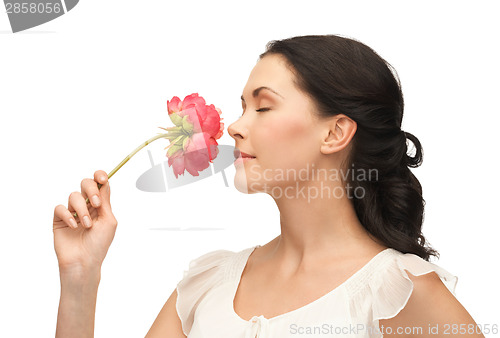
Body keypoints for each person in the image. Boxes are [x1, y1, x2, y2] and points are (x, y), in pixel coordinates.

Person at [53, 35, 484, 337]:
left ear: (335, 133)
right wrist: (80, 276)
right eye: (243, 107)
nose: (236, 127)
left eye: (263, 106)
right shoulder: (209, 284)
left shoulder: (397, 289)